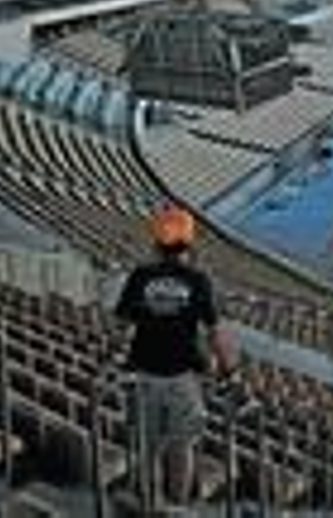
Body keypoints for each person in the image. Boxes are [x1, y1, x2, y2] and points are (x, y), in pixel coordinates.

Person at [115, 205, 236, 508]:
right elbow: (214, 332)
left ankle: (149, 506)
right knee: (182, 449)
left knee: (148, 448)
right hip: (183, 376)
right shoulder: (198, 280)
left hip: (142, 373)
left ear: (156, 242)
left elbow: (120, 326)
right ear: (189, 243)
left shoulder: (140, 276)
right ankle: (178, 508)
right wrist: (228, 370)